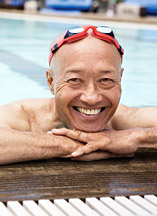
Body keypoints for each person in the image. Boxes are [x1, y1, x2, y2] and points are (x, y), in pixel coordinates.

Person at [0, 25, 156, 165]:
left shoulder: (123, 119)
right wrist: (70, 144)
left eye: (106, 80)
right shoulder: (25, 116)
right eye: (75, 80)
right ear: (51, 82)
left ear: (120, 79)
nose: (91, 97)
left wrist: (135, 137)